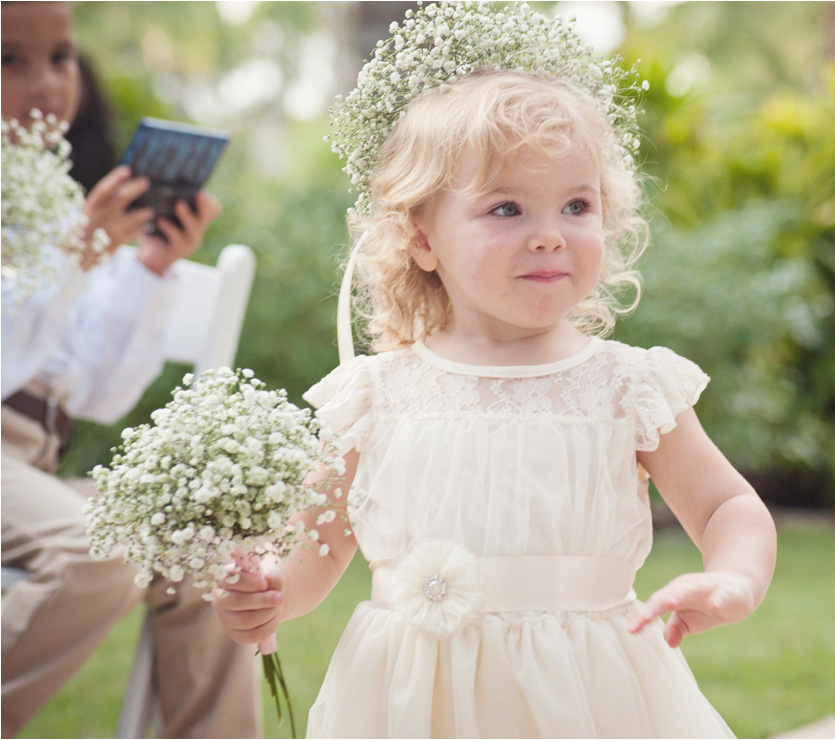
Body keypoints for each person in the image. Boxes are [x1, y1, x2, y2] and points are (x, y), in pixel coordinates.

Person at [213, 3, 776, 737]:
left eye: (576, 205)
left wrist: (734, 578)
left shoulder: (625, 387)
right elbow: (315, 552)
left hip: (591, 694)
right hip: (414, 702)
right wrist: (270, 593)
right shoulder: (375, 397)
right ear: (422, 238)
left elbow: (726, 508)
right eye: (507, 208)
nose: (549, 237)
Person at [0, 2, 260, 737]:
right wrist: (75, 256)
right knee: (93, 546)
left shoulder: (53, 206)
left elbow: (95, 393)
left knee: (200, 547)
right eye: (10, 60)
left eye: (60, 57)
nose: (48, 83)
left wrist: (145, 269)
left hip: (29, 474)